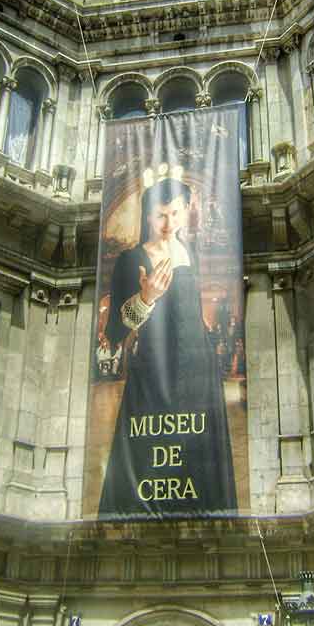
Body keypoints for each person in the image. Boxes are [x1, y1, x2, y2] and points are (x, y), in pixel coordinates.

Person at [98, 177, 237, 518]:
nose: (168, 223)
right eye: (161, 215)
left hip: (198, 371)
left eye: (175, 213)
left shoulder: (192, 252)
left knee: (198, 453)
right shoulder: (131, 259)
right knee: (150, 451)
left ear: (186, 211)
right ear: (148, 215)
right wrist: (146, 298)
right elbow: (117, 329)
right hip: (155, 370)